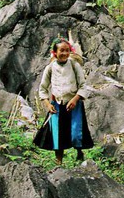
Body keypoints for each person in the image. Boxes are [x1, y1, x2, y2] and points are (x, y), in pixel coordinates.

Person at [34, 37, 93, 165]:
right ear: (55, 52)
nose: (65, 53)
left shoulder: (74, 65)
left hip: (74, 104)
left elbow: (83, 85)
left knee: (76, 132)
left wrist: (75, 99)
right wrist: (48, 104)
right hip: (57, 105)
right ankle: (59, 162)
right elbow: (43, 88)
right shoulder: (50, 68)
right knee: (57, 135)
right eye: (62, 50)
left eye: (67, 50)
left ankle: (79, 151)